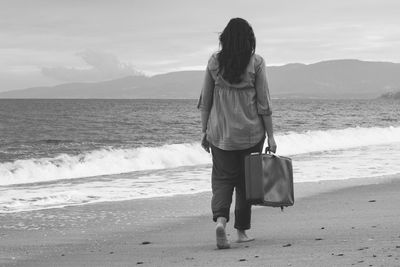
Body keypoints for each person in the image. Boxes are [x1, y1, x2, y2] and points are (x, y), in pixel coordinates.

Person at [197, 18, 277, 249]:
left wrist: (204, 131)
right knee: (246, 183)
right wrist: (271, 136)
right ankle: (241, 232)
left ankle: (220, 221)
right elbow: (264, 104)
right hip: (251, 133)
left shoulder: (214, 62)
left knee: (222, 180)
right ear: (249, 39)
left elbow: (206, 101)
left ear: (225, 38)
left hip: (220, 133)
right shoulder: (257, 63)